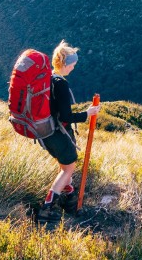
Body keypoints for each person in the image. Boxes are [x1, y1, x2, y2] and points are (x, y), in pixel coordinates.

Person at [34, 40, 100, 222]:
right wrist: (87, 114)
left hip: (45, 133)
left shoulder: (47, 79)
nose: (74, 67)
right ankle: (46, 209)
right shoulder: (60, 84)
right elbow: (66, 116)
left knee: (64, 165)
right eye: (73, 64)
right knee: (68, 169)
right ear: (66, 63)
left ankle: (68, 197)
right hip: (58, 133)